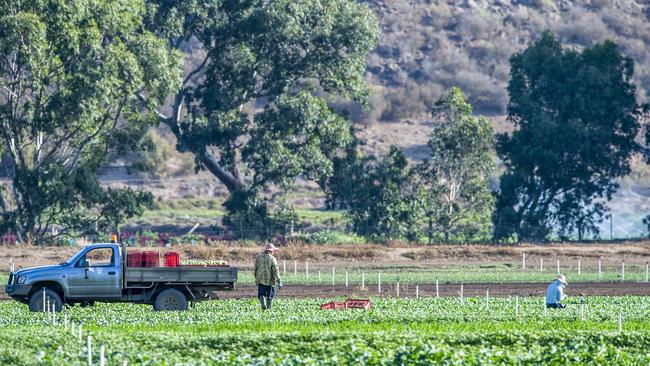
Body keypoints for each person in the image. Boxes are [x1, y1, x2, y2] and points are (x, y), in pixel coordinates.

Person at [254, 243, 282, 310]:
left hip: (260, 280)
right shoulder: (272, 259)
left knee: (261, 294)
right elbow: (275, 270)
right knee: (270, 295)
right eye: (273, 251)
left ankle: (263, 305)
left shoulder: (259, 257)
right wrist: (279, 280)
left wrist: (256, 277)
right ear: (271, 251)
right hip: (270, 281)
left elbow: (255, 268)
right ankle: (268, 308)